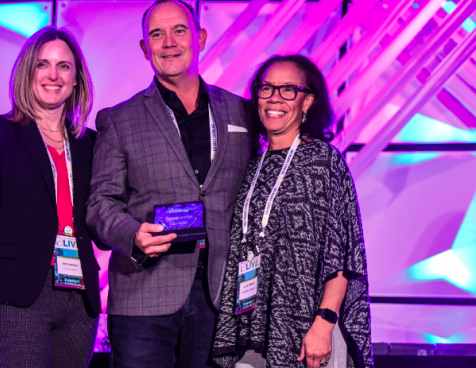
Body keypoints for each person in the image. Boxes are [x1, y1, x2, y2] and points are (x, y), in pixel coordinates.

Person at [86, 0, 251, 367]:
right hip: (144, 295)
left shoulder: (243, 113)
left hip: (220, 295)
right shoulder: (119, 119)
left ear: (201, 38)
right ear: (145, 49)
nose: (168, 42)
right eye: (156, 34)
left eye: (179, 31)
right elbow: (100, 206)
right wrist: (132, 234)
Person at [0, 26, 103, 368]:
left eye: (64, 66)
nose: (53, 75)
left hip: (78, 301)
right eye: (43, 64)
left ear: (76, 79)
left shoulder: (91, 143)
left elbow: (101, 217)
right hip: (14, 299)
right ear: (27, 73)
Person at [211, 54, 373, 368]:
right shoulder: (251, 165)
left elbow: (341, 254)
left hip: (309, 332)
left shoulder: (323, 161)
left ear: (308, 101)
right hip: (254, 328)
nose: (274, 98)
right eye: (266, 88)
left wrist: (324, 323)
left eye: (288, 90)